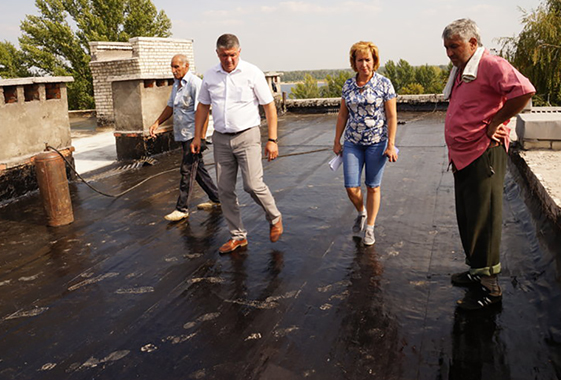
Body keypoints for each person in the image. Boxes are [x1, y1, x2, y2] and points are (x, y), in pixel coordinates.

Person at [442, 19, 535, 310]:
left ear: (472, 43)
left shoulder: (491, 64)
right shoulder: (462, 70)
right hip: (463, 154)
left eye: (454, 46)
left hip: (484, 152)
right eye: (446, 47)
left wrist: (496, 121)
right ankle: (476, 271)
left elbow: (524, 90)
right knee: (469, 216)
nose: (449, 53)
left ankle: (490, 288)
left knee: (485, 216)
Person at [191, 34, 283, 254]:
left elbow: (269, 107)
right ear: (217, 54)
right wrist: (198, 137)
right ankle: (238, 236)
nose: (229, 60)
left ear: (239, 52)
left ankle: (275, 217)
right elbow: (203, 106)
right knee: (224, 190)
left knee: (252, 184)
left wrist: (272, 140)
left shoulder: (252, 73)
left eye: (232, 55)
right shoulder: (211, 75)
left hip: (248, 136)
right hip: (221, 139)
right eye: (224, 56)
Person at [333, 41, 398, 246]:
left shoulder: (384, 83)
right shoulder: (348, 85)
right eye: (359, 60)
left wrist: (391, 144)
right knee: (351, 187)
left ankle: (370, 227)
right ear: (354, 62)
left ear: (374, 61)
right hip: (352, 142)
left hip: (377, 143)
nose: (364, 64)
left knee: (372, 186)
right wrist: (337, 140)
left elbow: (392, 116)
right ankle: (361, 212)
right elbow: (343, 115)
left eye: (367, 59)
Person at [149, 54, 220, 222]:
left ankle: (182, 209)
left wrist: (200, 139)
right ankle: (217, 198)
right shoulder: (177, 85)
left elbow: (203, 112)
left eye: (177, 67)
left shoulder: (195, 84)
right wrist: (156, 123)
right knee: (198, 170)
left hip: (192, 136)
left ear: (186, 66)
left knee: (187, 170)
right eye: (172, 67)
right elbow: (170, 106)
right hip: (183, 135)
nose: (173, 71)